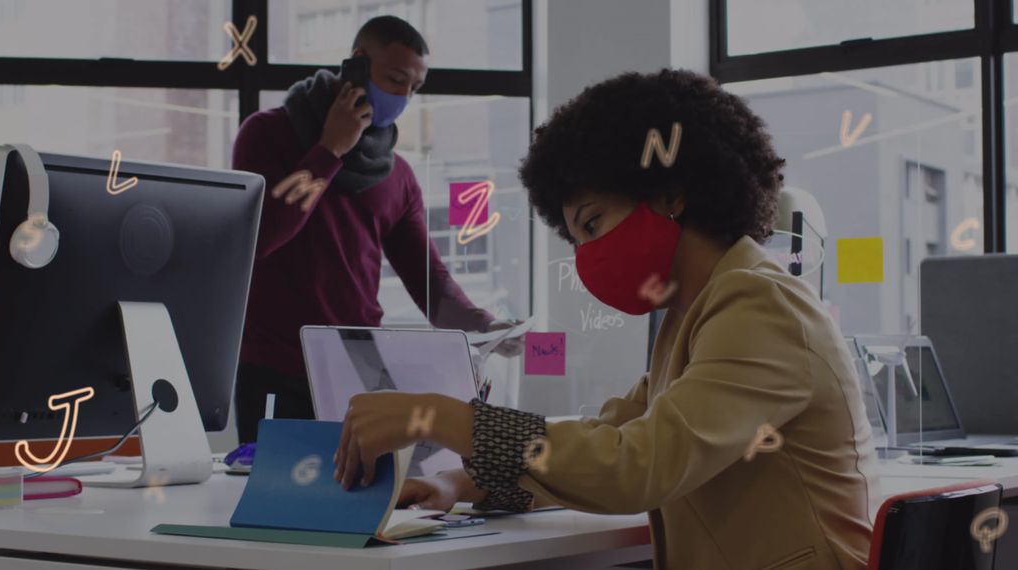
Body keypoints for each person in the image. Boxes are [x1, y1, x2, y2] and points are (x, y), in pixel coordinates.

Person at [332, 70, 881, 570]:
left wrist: (433, 417)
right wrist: (463, 482)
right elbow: (607, 438)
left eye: (592, 225)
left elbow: (635, 468)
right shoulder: (699, 313)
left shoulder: (761, 306)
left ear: (670, 194)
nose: (587, 257)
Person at [231, 16, 519, 444]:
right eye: (396, 79)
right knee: (271, 486)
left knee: (369, 483)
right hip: (274, 366)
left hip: (358, 368)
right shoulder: (266, 133)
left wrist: (485, 326)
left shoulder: (396, 175)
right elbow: (264, 234)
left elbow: (428, 280)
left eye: (414, 88)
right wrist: (330, 150)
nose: (403, 97)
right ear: (359, 62)